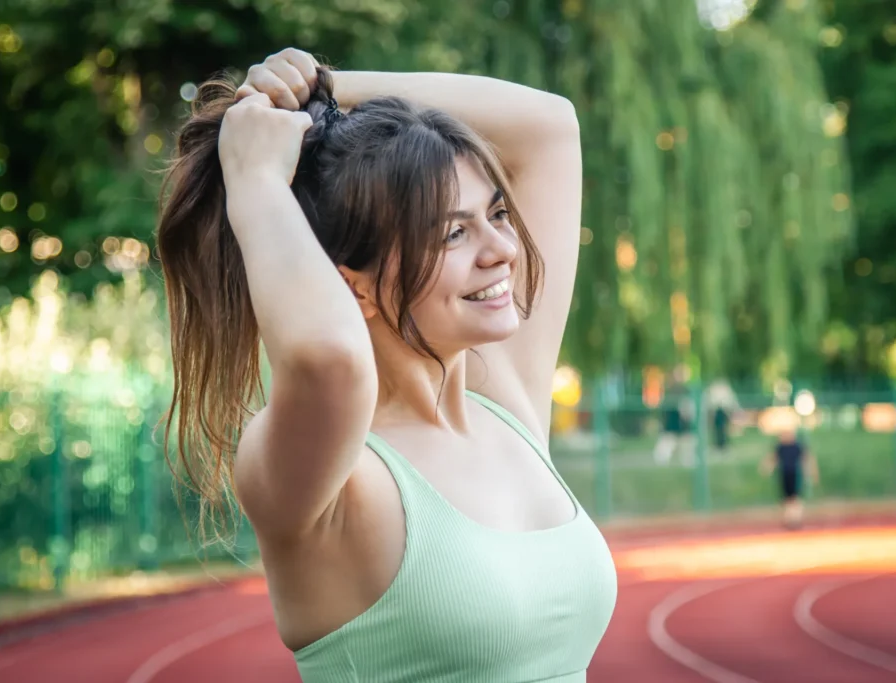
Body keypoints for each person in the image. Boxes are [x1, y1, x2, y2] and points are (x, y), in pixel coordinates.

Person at [156, 49, 617, 681]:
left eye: (498, 214)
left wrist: (323, 92)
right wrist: (254, 177)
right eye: (454, 234)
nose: (503, 250)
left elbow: (549, 127)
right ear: (356, 289)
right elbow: (331, 358)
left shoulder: (506, 404)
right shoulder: (329, 474)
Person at [759, 426, 820, 529]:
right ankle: (788, 520)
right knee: (786, 499)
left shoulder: (797, 446)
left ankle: (795, 520)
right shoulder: (780, 447)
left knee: (795, 498)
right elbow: (773, 458)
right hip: (784, 475)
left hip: (795, 474)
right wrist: (767, 468)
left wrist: (811, 473)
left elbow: (806, 459)